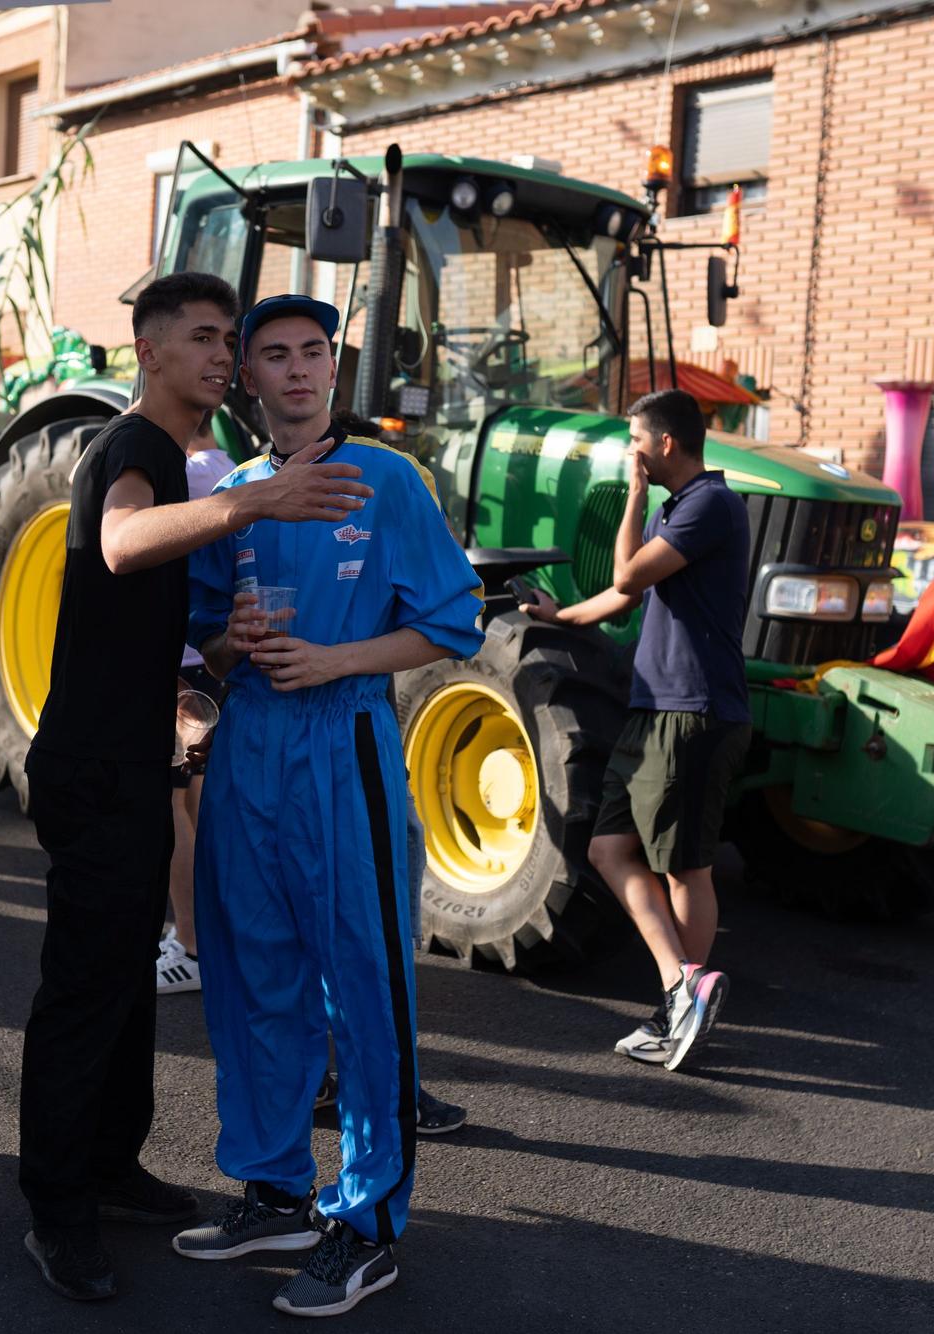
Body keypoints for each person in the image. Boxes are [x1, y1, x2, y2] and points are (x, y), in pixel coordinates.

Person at [17, 273, 372, 1304]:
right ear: (151, 351)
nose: (226, 357)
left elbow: (150, 624)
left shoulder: (172, 460)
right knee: (86, 988)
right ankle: (55, 1206)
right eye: (206, 339)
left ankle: (108, 1163)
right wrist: (256, 498)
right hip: (92, 767)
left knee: (126, 977)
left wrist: (224, 646)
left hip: (129, 756)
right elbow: (123, 546)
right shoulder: (133, 448)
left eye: (231, 341)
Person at [175, 294, 484, 1318]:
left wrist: (334, 658)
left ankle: (367, 1216)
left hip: (343, 736)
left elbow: (450, 622)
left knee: (363, 981)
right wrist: (231, 643)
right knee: (251, 969)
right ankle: (273, 1187)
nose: (297, 370)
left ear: (331, 372)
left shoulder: (387, 480)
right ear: (249, 379)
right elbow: (209, 631)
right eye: (275, 356)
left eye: (313, 353)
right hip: (251, 746)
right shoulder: (242, 493)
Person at [520, 387, 749, 1071]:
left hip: (692, 711)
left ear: (667, 444)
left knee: (684, 867)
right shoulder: (685, 510)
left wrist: (632, 495)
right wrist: (558, 619)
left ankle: (683, 1001)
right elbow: (626, 594)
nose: (632, 450)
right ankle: (683, 988)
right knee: (609, 851)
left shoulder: (709, 504)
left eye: (636, 439)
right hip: (656, 709)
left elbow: (625, 572)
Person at [156, 418, 235, 996]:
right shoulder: (231, 466)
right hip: (210, 656)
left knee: (170, 803)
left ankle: (188, 944)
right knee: (198, 798)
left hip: (179, 653)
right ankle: (202, 933)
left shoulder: (177, 474)